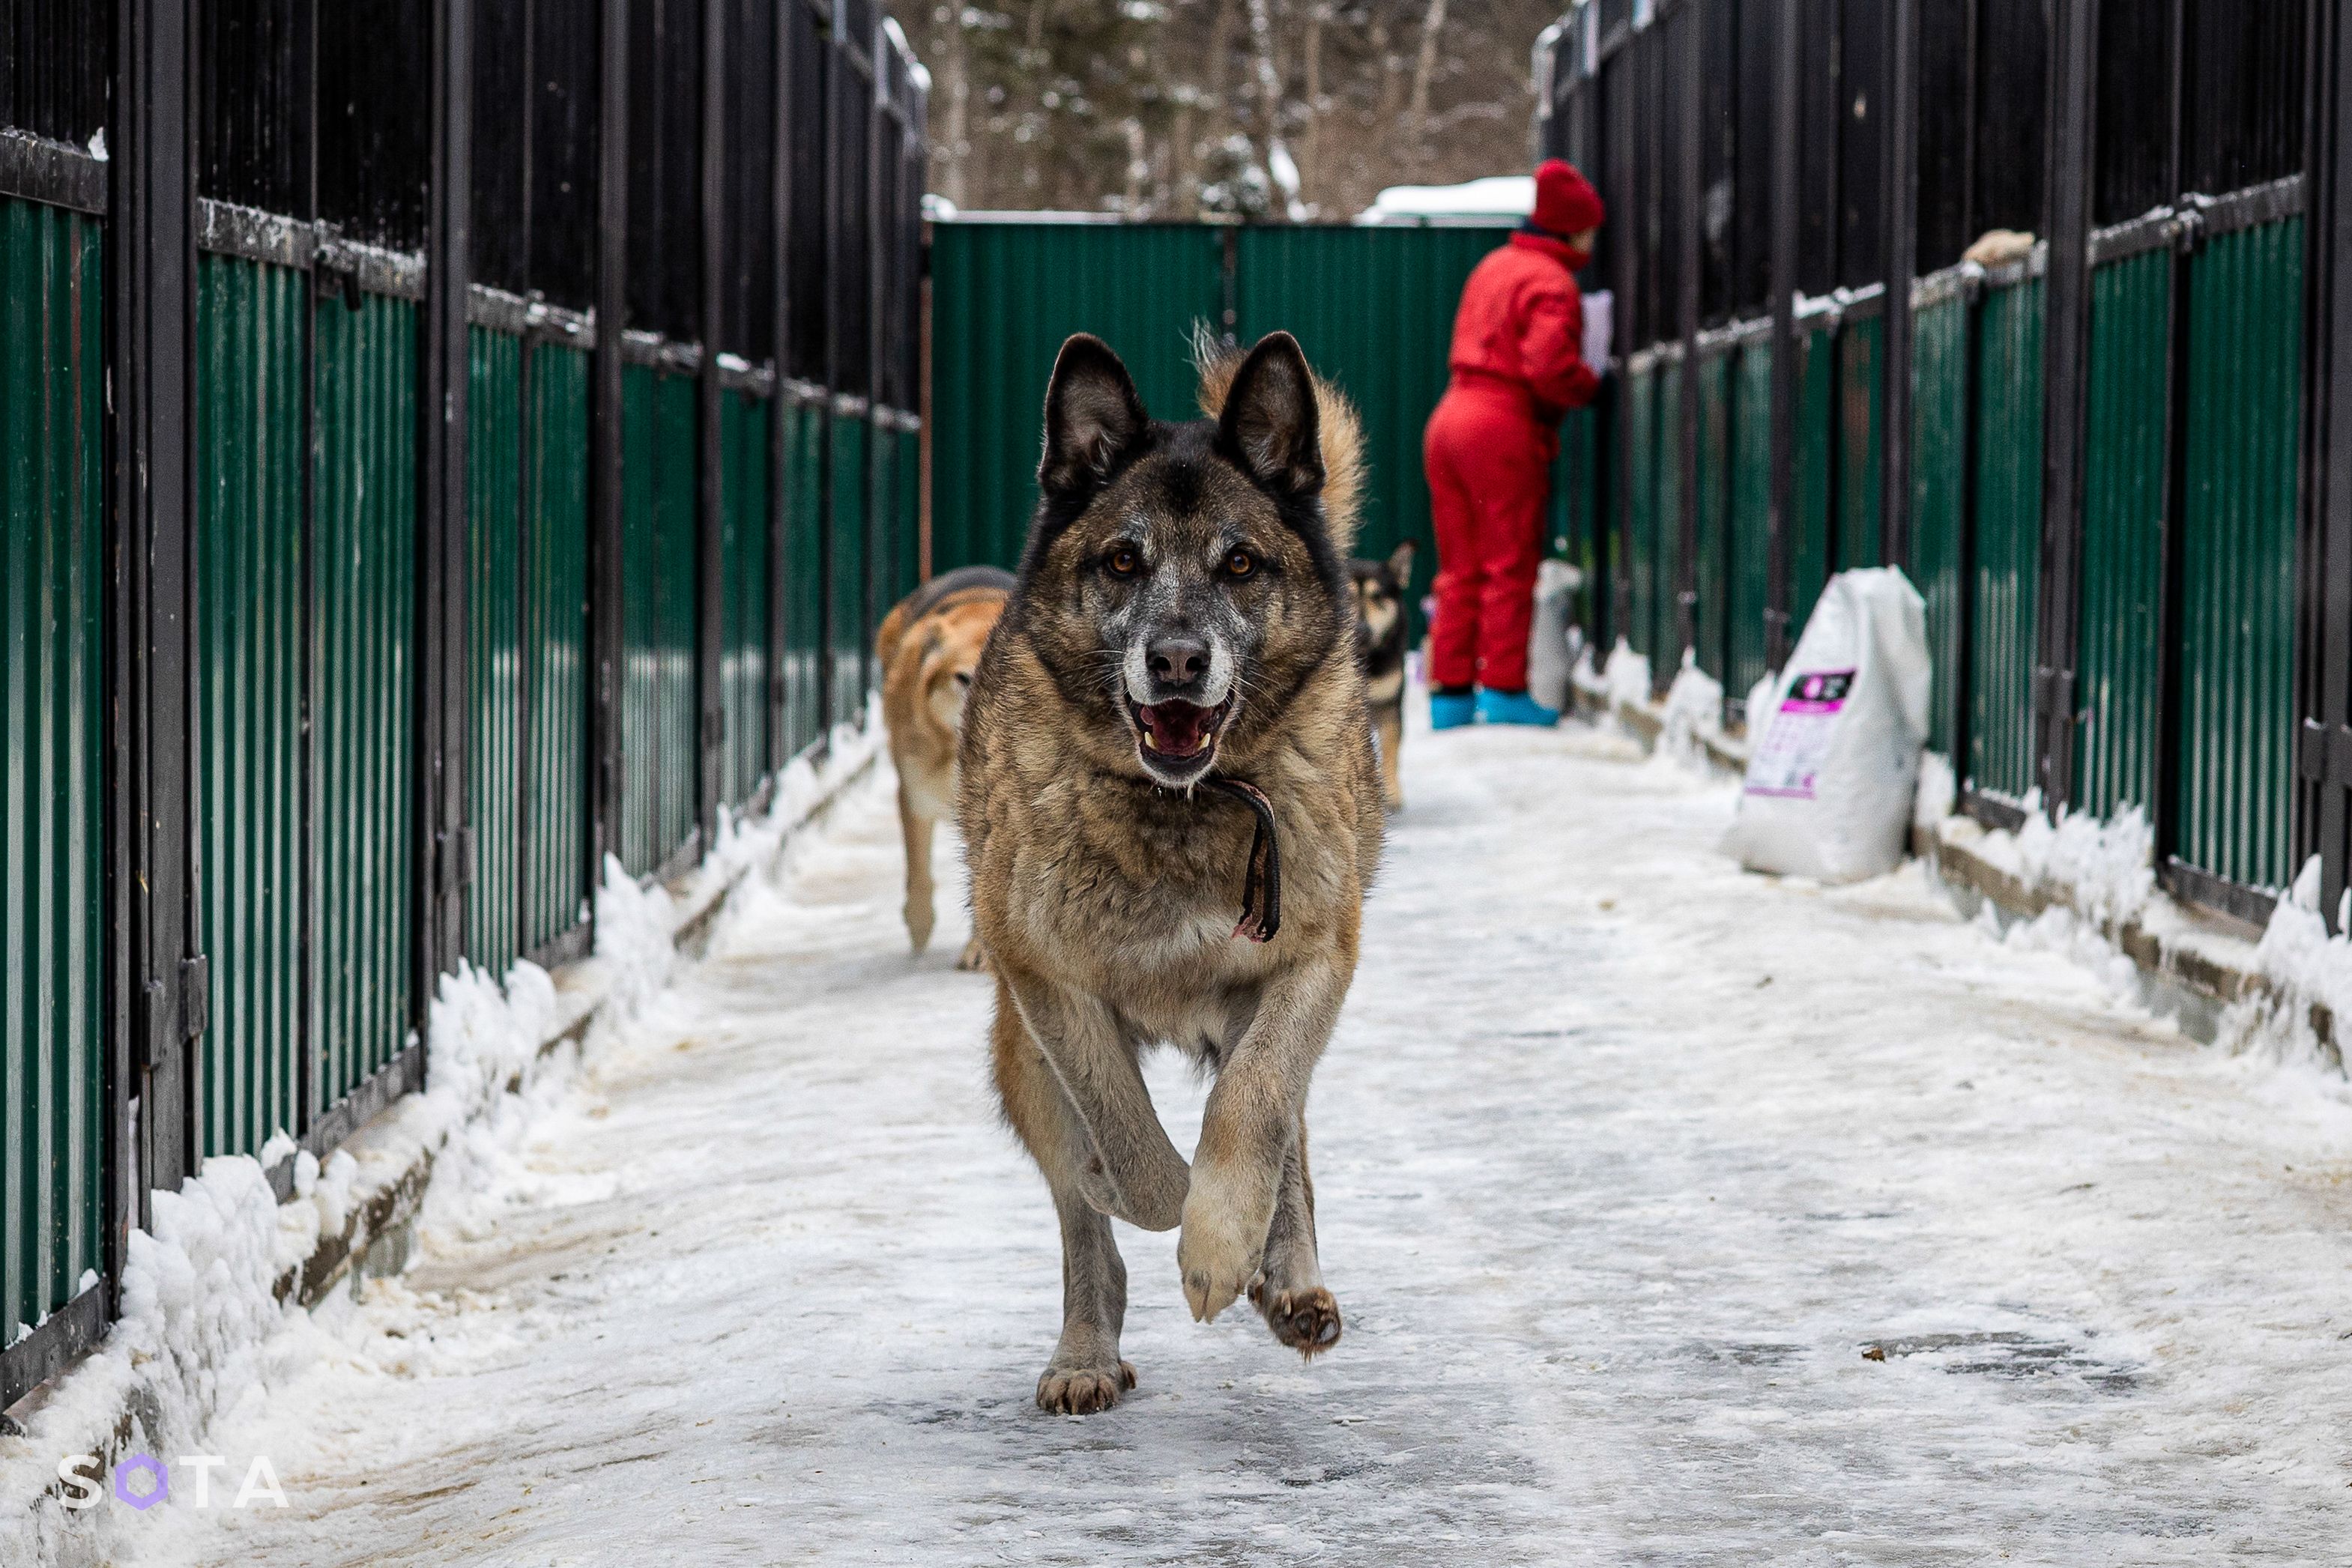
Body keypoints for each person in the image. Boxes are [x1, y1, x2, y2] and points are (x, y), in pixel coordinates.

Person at [1421, 158, 1605, 728]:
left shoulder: (1494, 265)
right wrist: (1590, 381)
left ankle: (1448, 695)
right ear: (1573, 229)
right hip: (1499, 426)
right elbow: (1547, 366)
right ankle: (1502, 691)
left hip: (1448, 418)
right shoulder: (1552, 282)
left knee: (1459, 567)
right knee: (1508, 561)